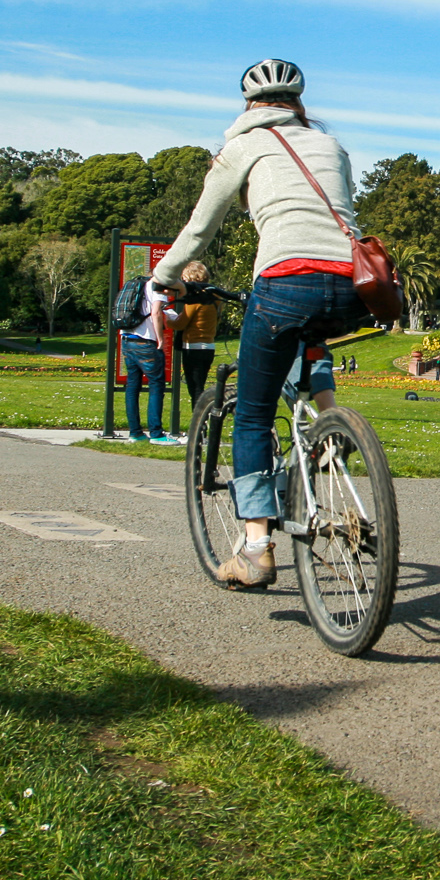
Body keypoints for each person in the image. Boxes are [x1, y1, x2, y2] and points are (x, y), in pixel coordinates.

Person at [151, 58, 370, 590]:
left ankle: (256, 549)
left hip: (284, 280)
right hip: (354, 284)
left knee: (251, 416)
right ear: (298, 103)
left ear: (250, 106)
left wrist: (163, 276)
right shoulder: (332, 147)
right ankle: (328, 424)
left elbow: (200, 228)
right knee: (309, 339)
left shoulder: (241, 148)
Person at [115, 270, 181, 446]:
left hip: (127, 339)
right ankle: (156, 433)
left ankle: (135, 432)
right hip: (145, 341)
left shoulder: (138, 284)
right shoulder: (158, 287)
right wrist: (160, 338)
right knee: (156, 384)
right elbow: (156, 313)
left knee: (132, 385)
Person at [174, 261, 222, 406]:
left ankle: (199, 422)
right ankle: (202, 421)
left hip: (192, 346)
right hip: (208, 346)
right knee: (200, 383)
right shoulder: (215, 297)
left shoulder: (195, 299)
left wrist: (166, 318)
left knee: (195, 389)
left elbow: (181, 323)